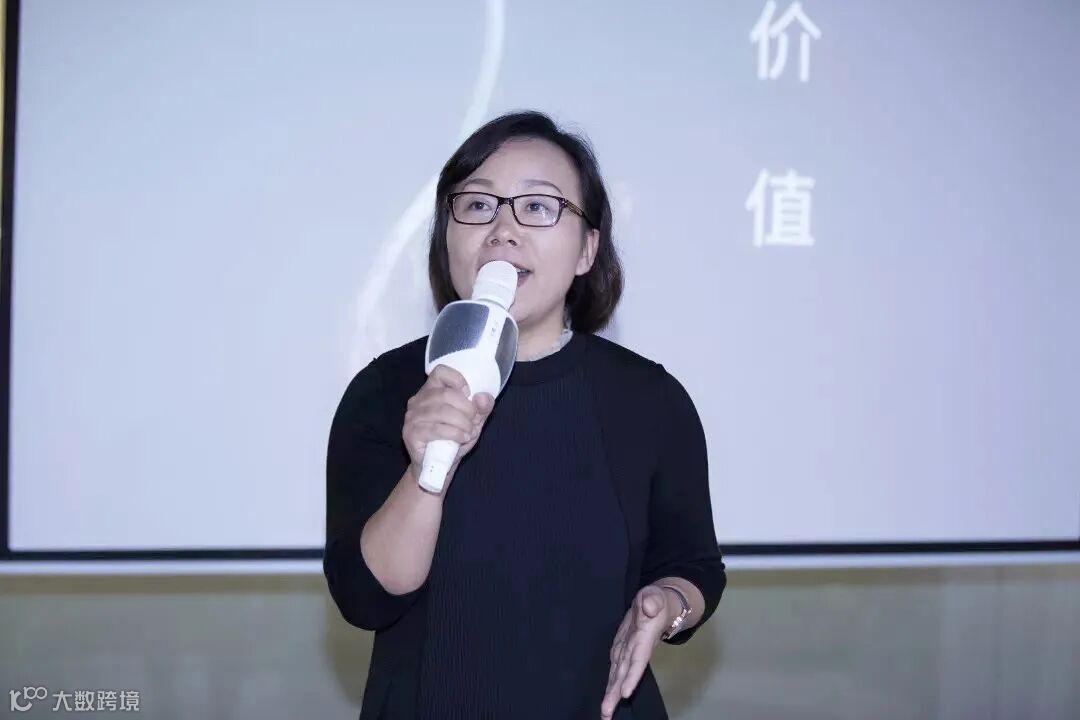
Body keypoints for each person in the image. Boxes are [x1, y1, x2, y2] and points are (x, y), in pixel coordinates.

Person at [324, 110, 726, 720]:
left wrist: (667, 603)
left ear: (587, 249)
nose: (503, 230)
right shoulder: (385, 391)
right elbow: (366, 598)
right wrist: (425, 470)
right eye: (478, 205)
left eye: (538, 207)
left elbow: (693, 567)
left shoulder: (648, 399)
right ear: (446, 238)